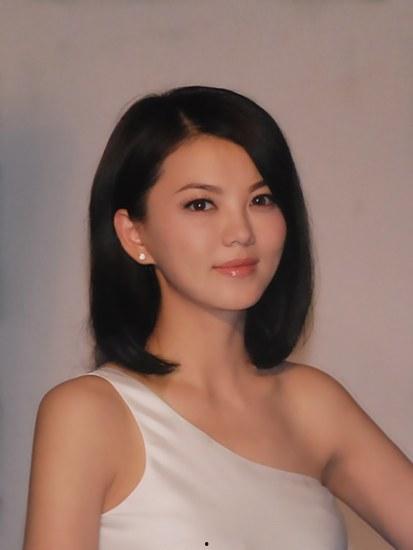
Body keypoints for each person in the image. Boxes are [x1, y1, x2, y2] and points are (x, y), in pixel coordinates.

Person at [23, 85, 413, 549]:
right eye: (201, 204)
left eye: (261, 200)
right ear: (134, 234)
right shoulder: (88, 414)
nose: (240, 232)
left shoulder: (313, 405)